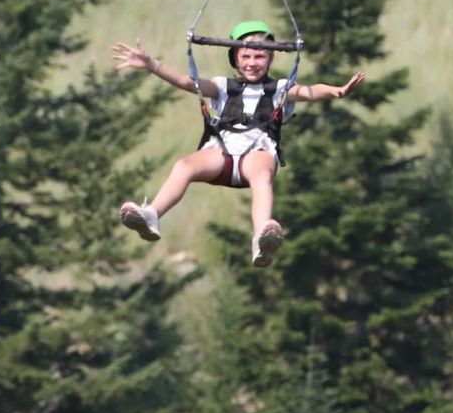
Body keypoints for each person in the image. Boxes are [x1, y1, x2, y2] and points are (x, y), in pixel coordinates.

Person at [111, 21, 364, 267]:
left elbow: (310, 91)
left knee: (261, 175)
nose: (252, 63)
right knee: (183, 166)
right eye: (246, 56)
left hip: (257, 154)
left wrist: (336, 91)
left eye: (259, 56)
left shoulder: (280, 89)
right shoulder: (223, 86)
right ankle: (152, 214)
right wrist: (151, 64)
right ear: (235, 58)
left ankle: (262, 237)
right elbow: (188, 82)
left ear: (270, 58)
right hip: (222, 152)